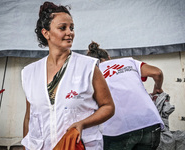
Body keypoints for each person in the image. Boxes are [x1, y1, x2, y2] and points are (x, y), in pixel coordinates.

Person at [21, 2, 115, 150]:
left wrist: (83, 123)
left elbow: (108, 106)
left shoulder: (88, 67)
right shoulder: (29, 72)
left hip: (77, 146)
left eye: (71, 28)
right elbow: (29, 117)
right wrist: (26, 145)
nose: (69, 32)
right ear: (46, 33)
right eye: (62, 28)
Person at [87, 41, 164, 150]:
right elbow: (157, 72)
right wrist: (158, 88)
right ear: (109, 57)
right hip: (150, 123)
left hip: (117, 131)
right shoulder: (128, 61)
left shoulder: (91, 74)